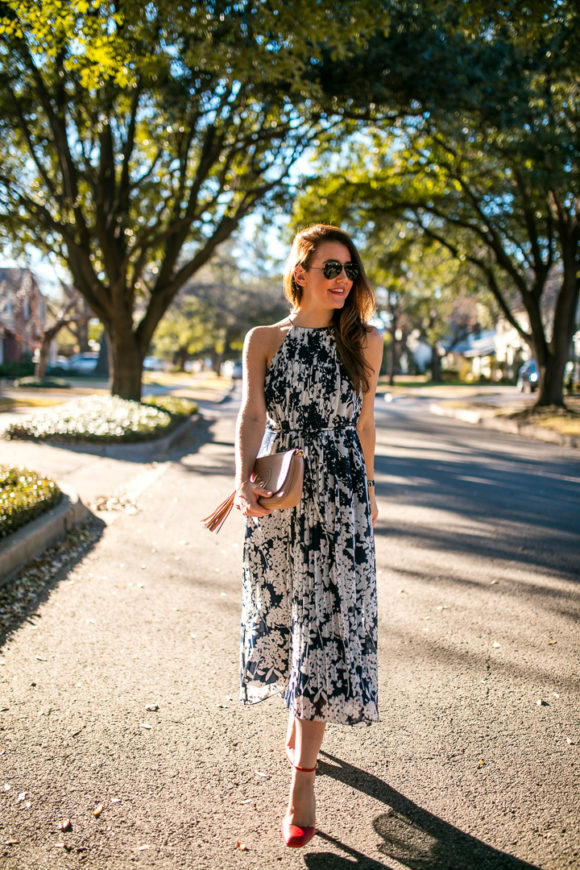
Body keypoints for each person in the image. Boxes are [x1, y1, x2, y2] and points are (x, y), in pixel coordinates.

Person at [234, 223, 383, 848]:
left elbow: (366, 422)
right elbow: (252, 413)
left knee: (325, 628)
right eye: (330, 269)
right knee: (289, 617)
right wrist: (243, 478)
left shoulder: (367, 341)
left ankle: (303, 779)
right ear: (301, 273)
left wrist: (370, 490)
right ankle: (300, 719)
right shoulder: (265, 340)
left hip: (341, 498)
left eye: (348, 270)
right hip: (281, 492)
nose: (342, 279)